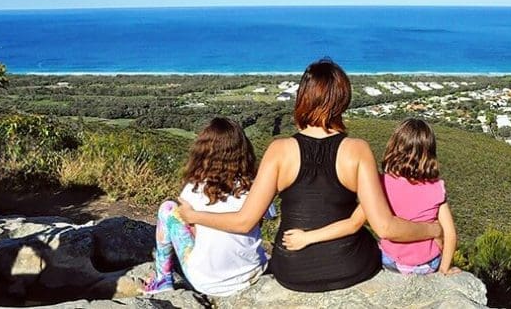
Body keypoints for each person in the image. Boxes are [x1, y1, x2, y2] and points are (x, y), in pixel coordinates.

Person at [178, 59, 443, 292]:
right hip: (350, 266)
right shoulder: (357, 150)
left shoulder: (279, 151)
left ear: (303, 97)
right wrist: (432, 229)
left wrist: (194, 216)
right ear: (342, 100)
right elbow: (385, 227)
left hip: (292, 270)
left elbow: (244, 221)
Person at [283, 118, 460, 275]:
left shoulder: (380, 184)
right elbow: (450, 234)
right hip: (428, 264)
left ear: (394, 148)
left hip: (392, 263)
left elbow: (353, 224)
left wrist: (307, 237)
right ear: (430, 153)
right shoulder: (437, 187)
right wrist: (444, 270)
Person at [143, 117, 270, 296]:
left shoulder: (193, 190)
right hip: (253, 272)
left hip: (209, 282)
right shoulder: (256, 188)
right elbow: (260, 223)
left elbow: (194, 231)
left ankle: (163, 278)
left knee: (168, 209)